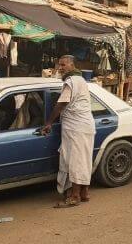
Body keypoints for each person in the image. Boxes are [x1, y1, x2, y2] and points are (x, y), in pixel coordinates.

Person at [41, 55, 95, 207]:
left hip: (76, 127)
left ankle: (75, 196)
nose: (60, 68)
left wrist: (49, 123)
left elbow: (61, 104)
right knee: (83, 159)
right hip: (85, 125)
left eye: (63, 65)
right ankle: (84, 193)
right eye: (59, 65)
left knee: (75, 160)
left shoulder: (71, 82)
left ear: (72, 65)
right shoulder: (81, 80)